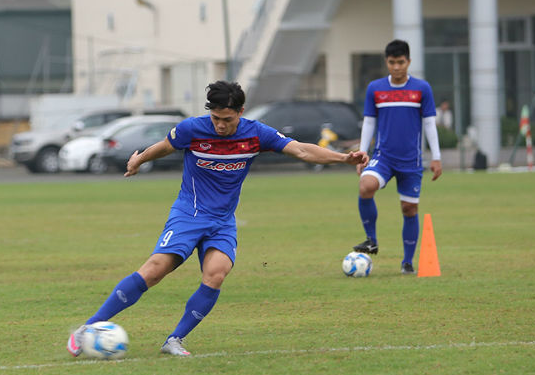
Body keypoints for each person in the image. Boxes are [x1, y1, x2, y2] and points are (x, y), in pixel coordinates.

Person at [67, 80, 368, 357]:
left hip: (223, 220)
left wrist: (343, 158)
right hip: (189, 213)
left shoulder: (256, 133)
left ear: (241, 112)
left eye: (228, 119)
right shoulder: (192, 129)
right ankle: (86, 329)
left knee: (216, 274)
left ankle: (174, 339)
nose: (221, 126)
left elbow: (301, 150)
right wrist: (139, 159)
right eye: (216, 119)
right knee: (155, 271)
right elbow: (165, 146)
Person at [352, 39, 442, 274]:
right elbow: (369, 122)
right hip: (384, 157)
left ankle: (408, 262)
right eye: (392, 63)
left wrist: (436, 157)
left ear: (409, 62)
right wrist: (363, 152)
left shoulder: (422, 89)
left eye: (401, 62)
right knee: (365, 187)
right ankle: (371, 240)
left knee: (409, 210)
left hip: (411, 162)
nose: (397, 67)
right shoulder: (376, 88)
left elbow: (430, 123)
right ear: (387, 62)